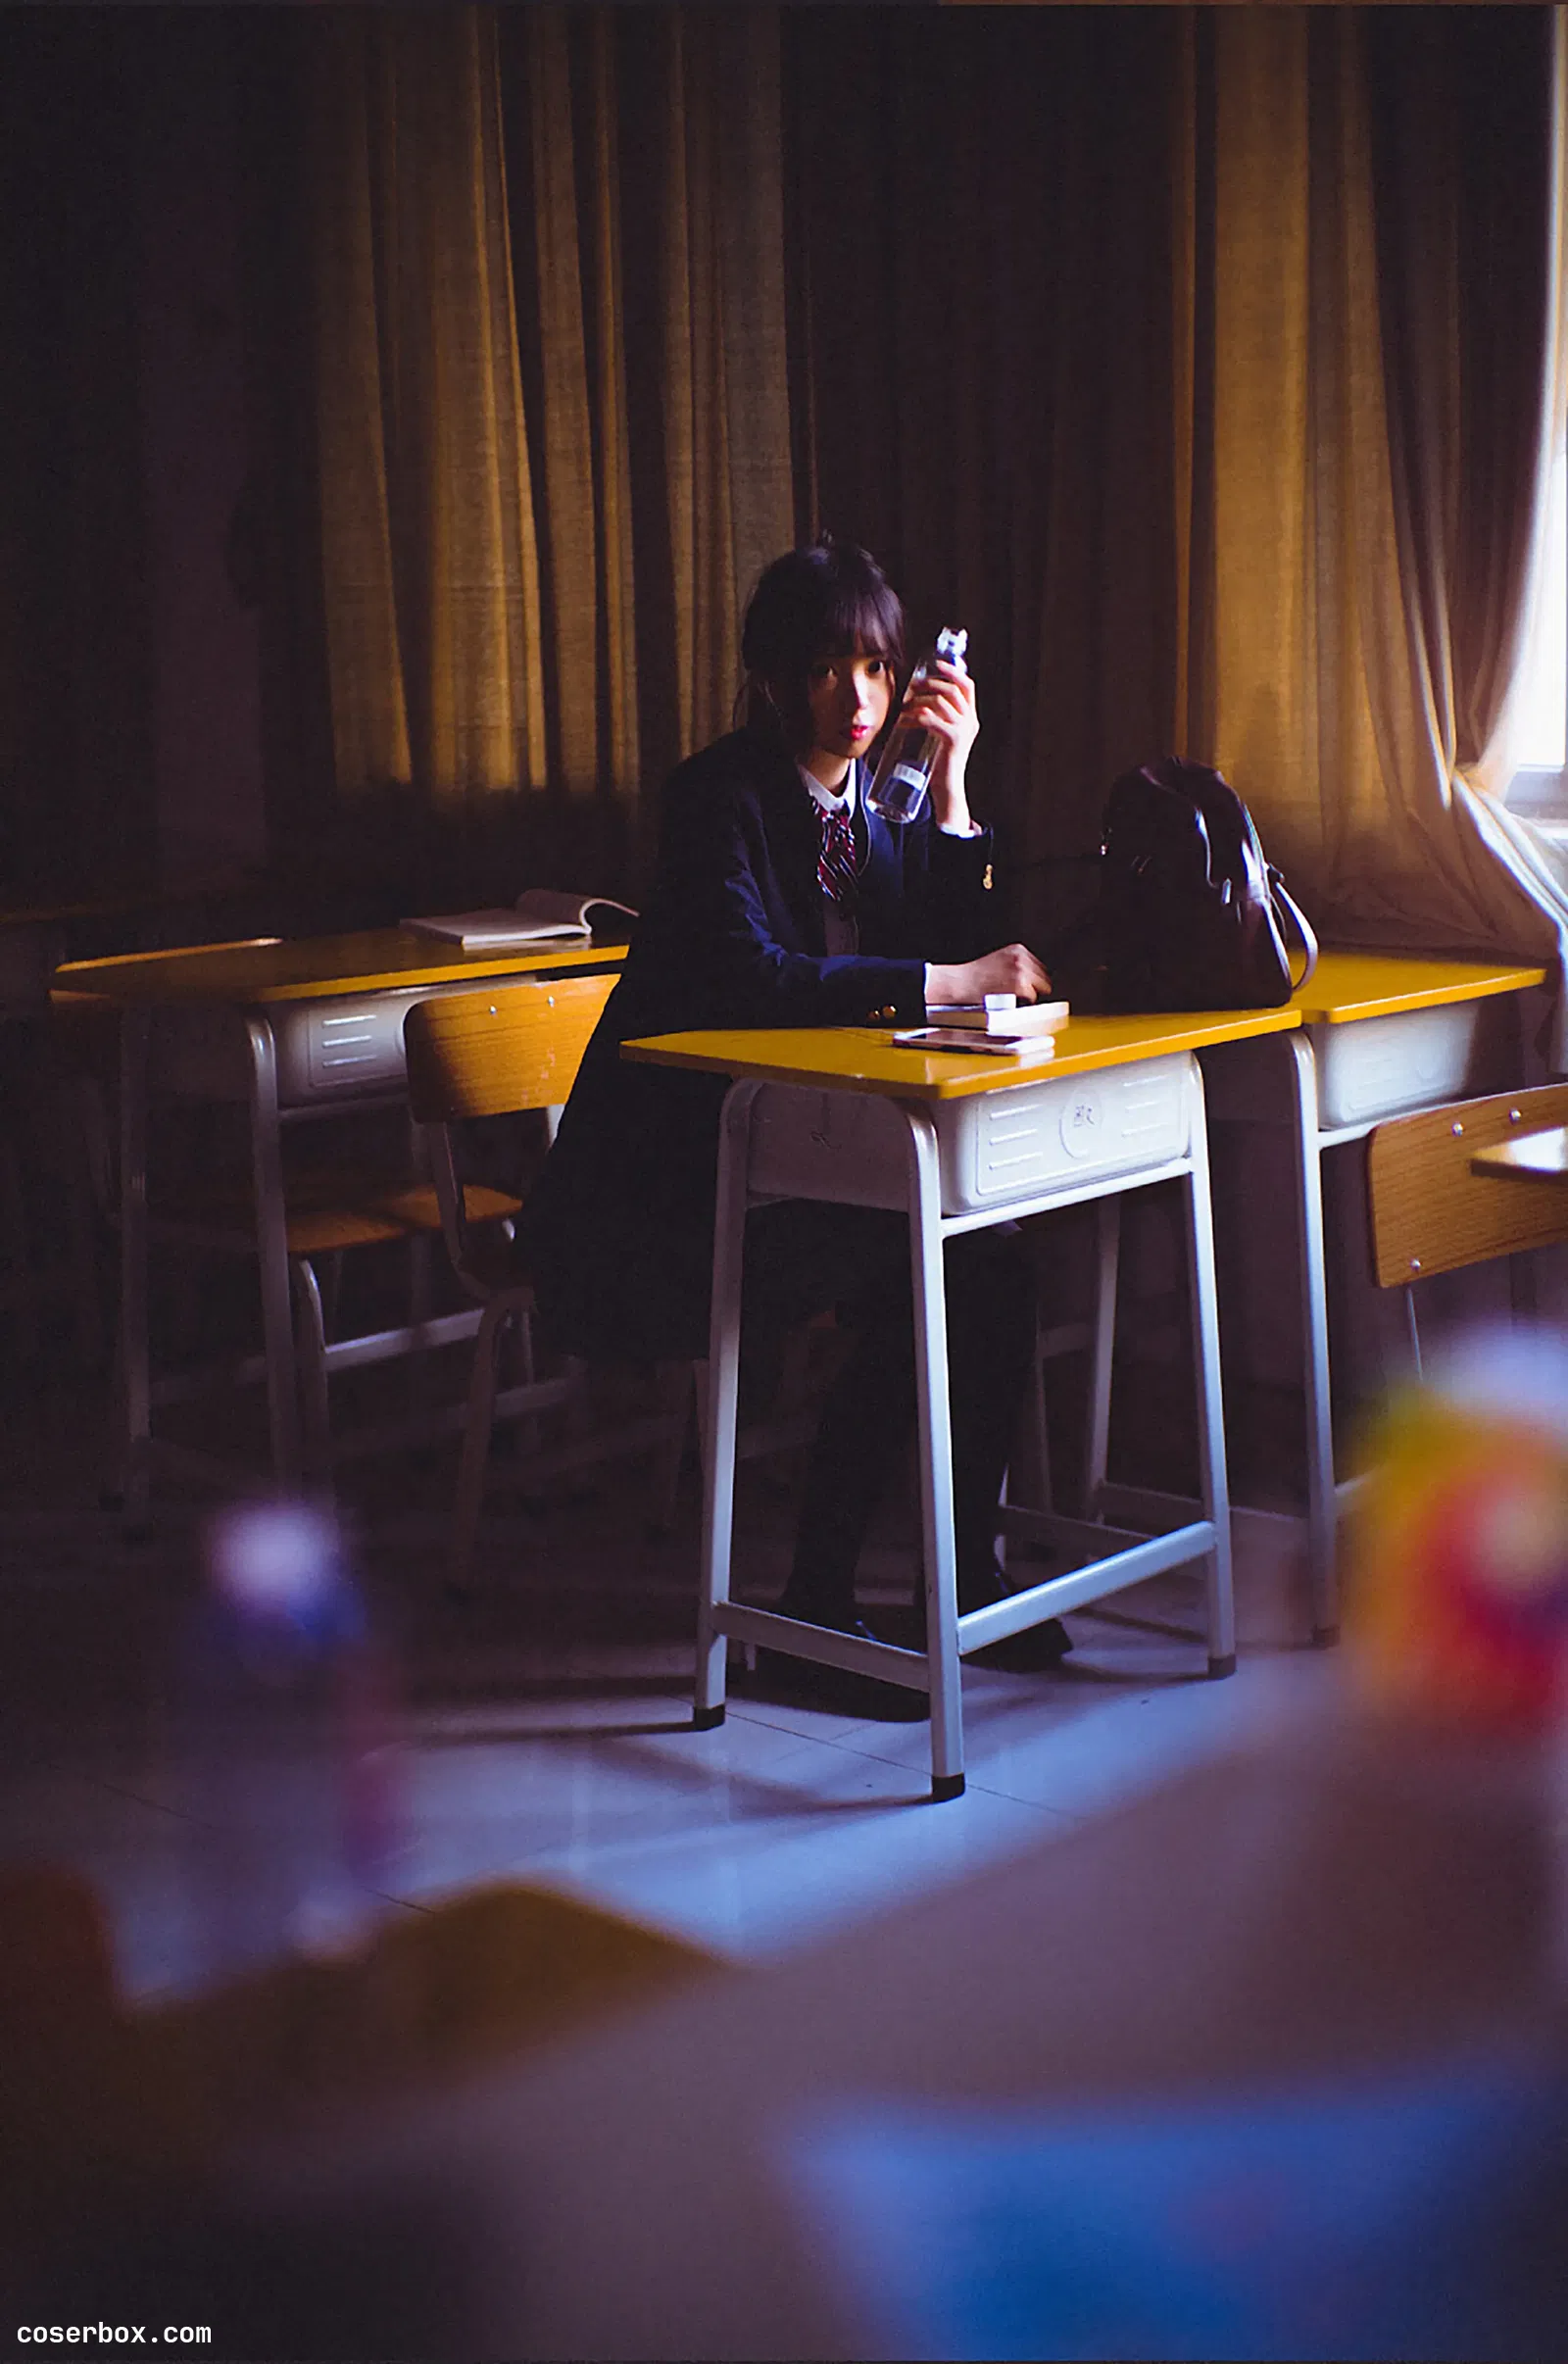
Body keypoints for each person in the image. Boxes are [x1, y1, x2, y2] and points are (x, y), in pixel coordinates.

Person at [518, 538, 1066, 1717]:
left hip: (803, 1161)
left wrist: (954, 786)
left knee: (992, 1267)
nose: (857, 699)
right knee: (922, 1268)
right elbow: (753, 975)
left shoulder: (877, 798)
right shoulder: (717, 796)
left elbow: (942, 941)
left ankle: (963, 1574)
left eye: (875, 668)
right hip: (666, 1192)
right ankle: (813, 1609)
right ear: (770, 677)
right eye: (825, 670)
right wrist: (947, 982)